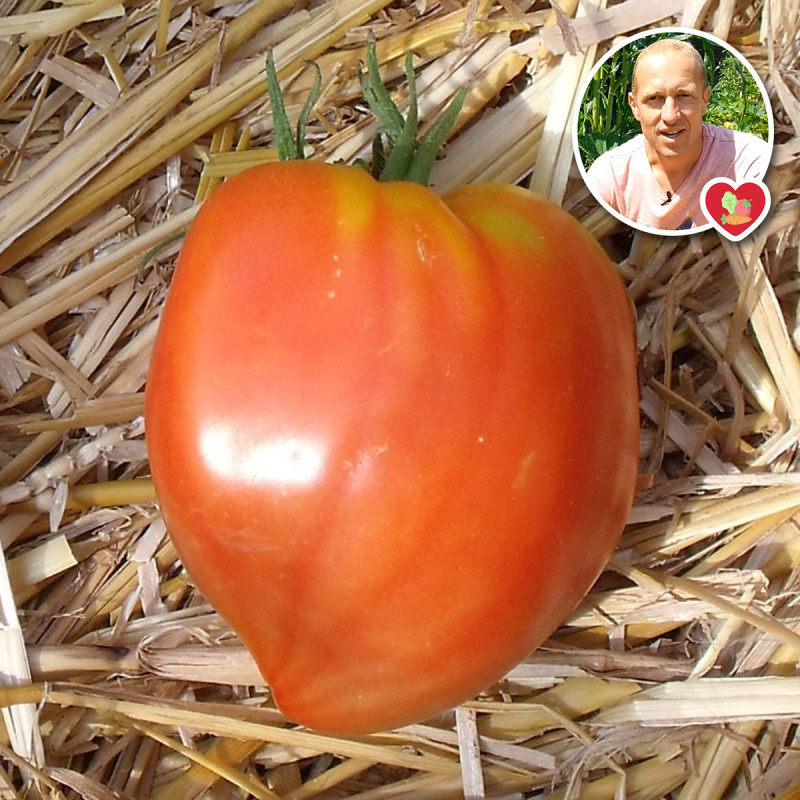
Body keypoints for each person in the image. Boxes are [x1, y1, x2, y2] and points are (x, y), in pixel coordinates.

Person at [586, 38, 771, 230]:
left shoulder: (750, 163)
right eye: (654, 98)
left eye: (683, 96)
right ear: (635, 106)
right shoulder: (610, 178)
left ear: (704, 100)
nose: (670, 116)